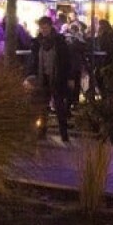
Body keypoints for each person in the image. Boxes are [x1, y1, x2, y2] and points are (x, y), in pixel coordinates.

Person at [28, 16, 73, 145]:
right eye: (41, 28)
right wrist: (31, 75)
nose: (43, 30)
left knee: (59, 106)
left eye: (45, 28)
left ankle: (64, 134)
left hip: (57, 77)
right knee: (43, 106)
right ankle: (41, 131)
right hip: (43, 78)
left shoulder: (59, 42)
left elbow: (66, 60)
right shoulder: (38, 42)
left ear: (50, 27)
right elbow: (34, 60)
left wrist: (69, 77)